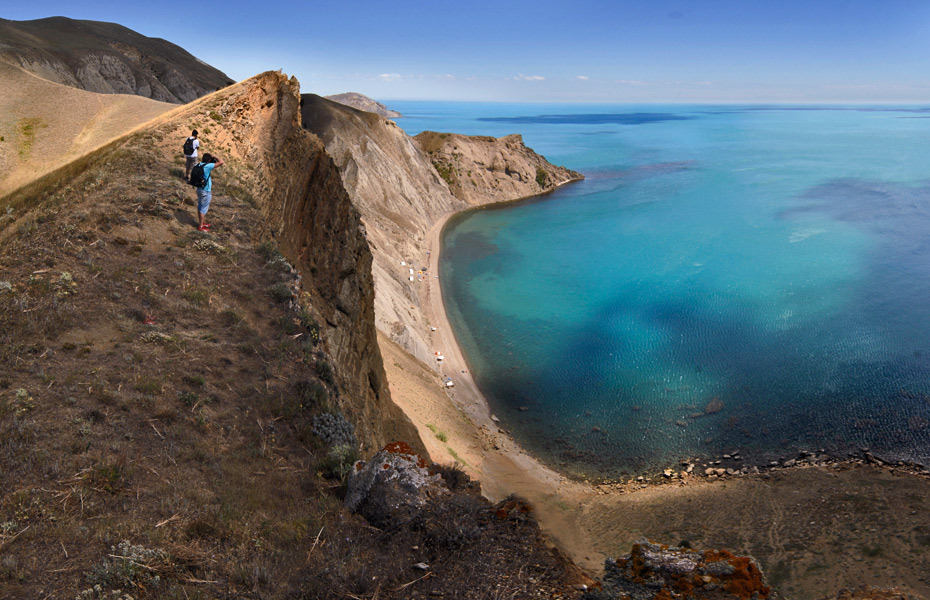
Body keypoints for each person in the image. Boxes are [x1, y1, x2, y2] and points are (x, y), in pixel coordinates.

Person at [194, 153, 225, 231]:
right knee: (203, 209)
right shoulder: (208, 166)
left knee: (200, 206)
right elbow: (221, 162)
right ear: (209, 160)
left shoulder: (199, 165)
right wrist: (215, 156)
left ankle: (201, 222)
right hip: (205, 191)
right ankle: (201, 226)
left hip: (199, 189)